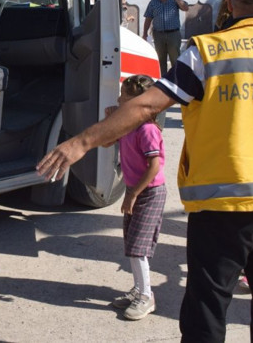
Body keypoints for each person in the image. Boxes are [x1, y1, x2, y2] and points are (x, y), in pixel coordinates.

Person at [37, 0, 253, 342]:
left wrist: (81, 141)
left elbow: (147, 105)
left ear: (229, 3)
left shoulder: (207, 52)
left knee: (207, 305)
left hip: (223, 205)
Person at [105, 75, 166, 321]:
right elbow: (106, 142)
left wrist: (132, 194)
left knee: (139, 248)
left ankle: (146, 296)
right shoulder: (128, 125)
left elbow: (154, 167)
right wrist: (110, 120)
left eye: (124, 96)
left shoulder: (148, 130)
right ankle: (139, 289)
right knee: (132, 246)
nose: (119, 99)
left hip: (149, 193)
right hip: (137, 191)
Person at [141, 0, 189, 77]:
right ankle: (163, 79)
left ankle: (176, 78)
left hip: (173, 34)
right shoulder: (153, 2)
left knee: (175, 58)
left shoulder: (175, 0)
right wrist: (145, 33)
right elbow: (148, 18)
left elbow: (186, 8)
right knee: (160, 58)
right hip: (158, 35)